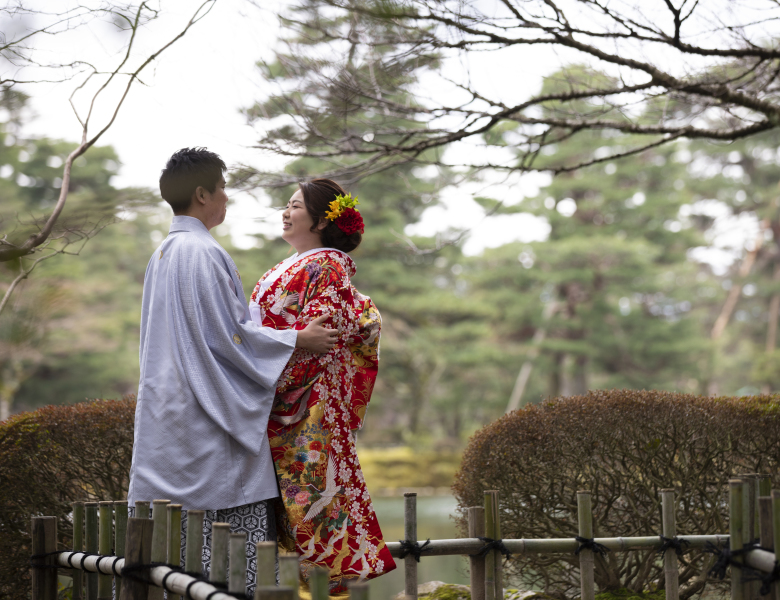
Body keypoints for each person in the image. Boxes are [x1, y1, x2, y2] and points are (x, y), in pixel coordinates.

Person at [126, 148, 337, 593]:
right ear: (202, 194)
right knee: (230, 564)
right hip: (207, 422)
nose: (227, 197)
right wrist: (299, 338)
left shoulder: (164, 252)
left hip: (170, 416)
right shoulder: (201, 252)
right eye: (222, 188)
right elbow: (229, 338)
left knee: (170, 562)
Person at [248, 179, 396, 596]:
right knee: (293, 505)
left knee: (313, 499)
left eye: (294, 206)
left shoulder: (326, 264)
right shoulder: (291, 263)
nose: (285, 211)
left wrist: (265, 379)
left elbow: (320, 339)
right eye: (287, 204)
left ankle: (326, 586)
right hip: (282, 396)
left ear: (319, 220)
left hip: (305, 404)